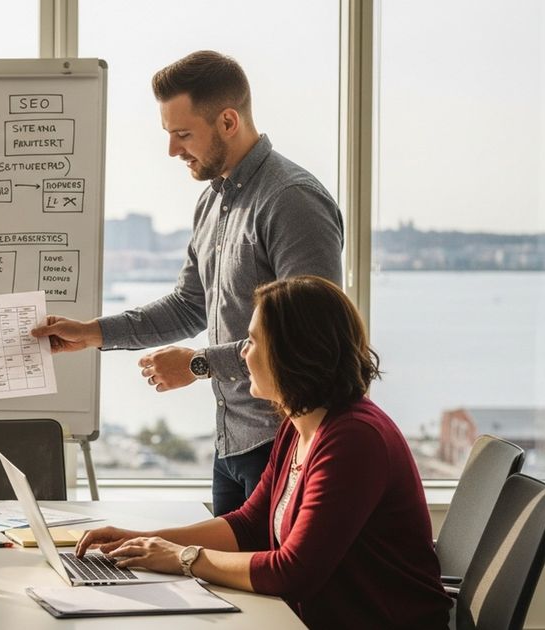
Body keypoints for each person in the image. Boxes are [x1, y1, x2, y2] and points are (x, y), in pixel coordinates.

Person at [31, 50, 344, 515]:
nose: (172, 150)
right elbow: (188, 306)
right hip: (231, 443)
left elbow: (308, 341)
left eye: (182, 134)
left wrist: (198, 365)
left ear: (228, 121)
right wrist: (91, 333)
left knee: (269, 585)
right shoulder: (211, 204)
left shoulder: (291, 201)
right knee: (222, 582)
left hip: (284, 445)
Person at [75, 276, 451, 629]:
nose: (243, 353)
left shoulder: (354, 440)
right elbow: (249, 525)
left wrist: (182, 558)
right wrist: (142, 541)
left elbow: (292, 572)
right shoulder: (298, 424)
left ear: (292, 353)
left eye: (252, 341)